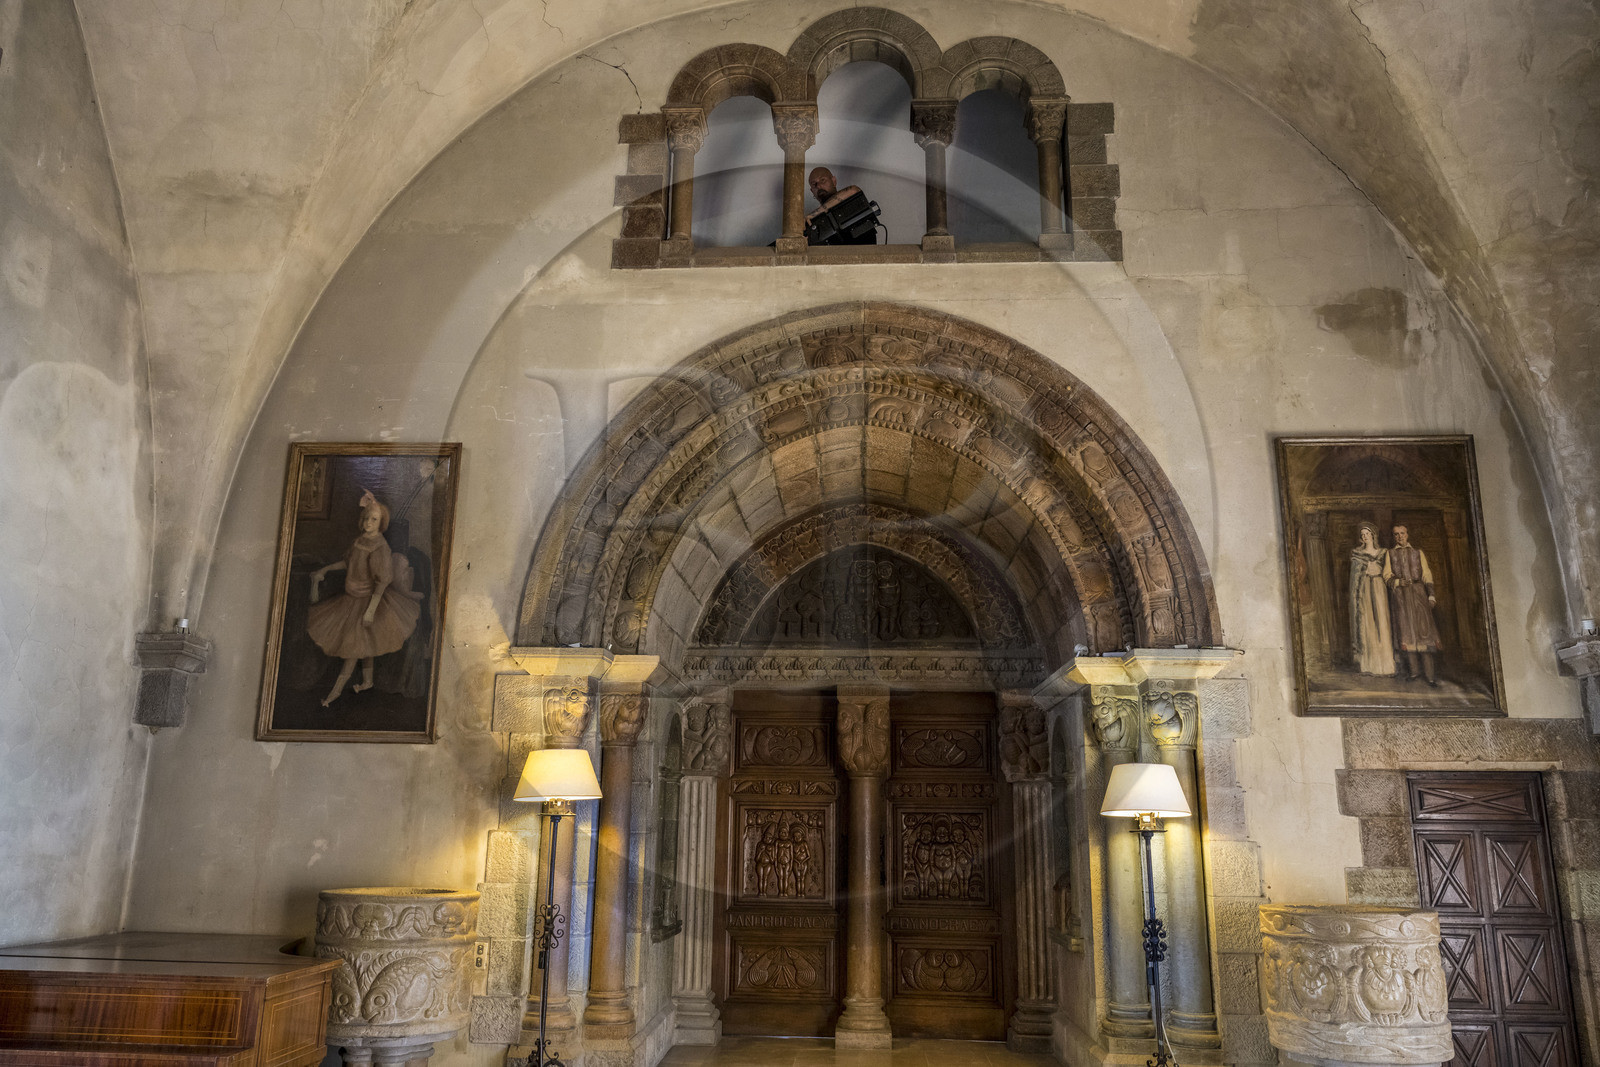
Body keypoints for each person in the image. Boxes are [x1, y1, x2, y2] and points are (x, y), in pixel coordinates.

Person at [306, 490, 424, 706]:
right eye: (367, 518)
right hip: (350, 599)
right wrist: (326, 569)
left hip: (369, 602)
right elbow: (349, 563)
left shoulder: (380, 547)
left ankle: (335, 692)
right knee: (365, 644)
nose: (369, 523)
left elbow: (382, 582)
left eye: (374, 519)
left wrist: (370, 611)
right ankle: (368, 681)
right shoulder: (359, 541)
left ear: (381, 523)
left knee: (353, 649)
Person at [1384, 524, 1443, 685]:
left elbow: (1427, 574)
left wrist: (1431, 595)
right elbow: (1386, 576)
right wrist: (1398, 582)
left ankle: (1430, 676)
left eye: (1402, 533)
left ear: (1407, 534)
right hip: (1401, 597)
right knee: (1407, 632)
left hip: (1418, 595)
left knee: (1424, 632)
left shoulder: (1418, 553)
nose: (1399, 537)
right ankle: (1415, 673)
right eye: (1396, 534)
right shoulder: (1390, 554)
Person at [1349, 522, 1396, 676]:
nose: (1365, 536)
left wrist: (1376, 570)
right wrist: (1365, 571)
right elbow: (1355, 577)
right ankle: (1369, 665)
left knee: (1382, 622)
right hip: (1364, 590)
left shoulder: (1383, 553)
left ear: (1372, 535)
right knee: (1367, 623)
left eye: (1367, 533)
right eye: (1362, 534)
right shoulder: (1357, 554)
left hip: (1378, 588)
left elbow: (1387, 572)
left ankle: (1385, 666)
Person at [805, 167, 877, 245]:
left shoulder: (851, 198)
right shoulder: (813, 222)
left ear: (834, 181)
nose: (818, 186)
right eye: (814, 184)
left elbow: (854, 190)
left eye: (823, 180)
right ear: (812, 191)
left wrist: (814, 214)